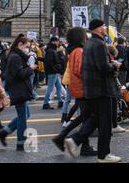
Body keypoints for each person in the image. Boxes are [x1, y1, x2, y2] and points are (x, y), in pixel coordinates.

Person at [64, 19, 122, 163]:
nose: (105, 28)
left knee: (96, 119)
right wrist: (114, 65)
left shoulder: (89, 43)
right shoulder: (99, 44)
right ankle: (103, 155)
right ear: (97, 28)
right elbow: (103, 67)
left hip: (92, 88)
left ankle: (75, 141)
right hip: (102, 89)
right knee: (105, 123)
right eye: (103, 26)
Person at [52, 27, 97, 156]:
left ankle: (65, 138)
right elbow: (80, 70)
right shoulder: (79, 51)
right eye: (85, 36)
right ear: (80, 38)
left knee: (84, 116)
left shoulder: (73, 50)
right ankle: (79, 144)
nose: (87, 38)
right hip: (83, 88)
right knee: (91, 117)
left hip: (77, 87)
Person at [0, 34, 35, 151]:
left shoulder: (16, 56)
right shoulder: (16, 57)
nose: (28, 49)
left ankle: (4, 132)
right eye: (26, 46)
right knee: (23, 116)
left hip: (19, 89)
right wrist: (30, 68)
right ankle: (20, 142)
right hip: (19, 90)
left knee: (25, 115)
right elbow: (19, 74)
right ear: (20, 44)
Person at [43, 36, 64, 110]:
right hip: (52, 72)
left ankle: (60, 101)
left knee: (58, 87)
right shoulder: (51, 51)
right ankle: (46, 103)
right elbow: (50, 63)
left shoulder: (51, 50)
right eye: (57, 41)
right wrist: (56, 69)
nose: (58, 42)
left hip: (54, 72)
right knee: (50, 88)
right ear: (53, 42)